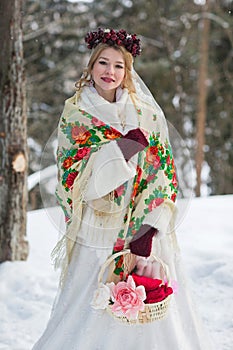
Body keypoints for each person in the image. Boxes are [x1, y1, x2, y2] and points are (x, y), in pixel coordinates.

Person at [33, 28, 213, 350]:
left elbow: (163, 171)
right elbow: (72, 181)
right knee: (90, 301)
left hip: (143, 224)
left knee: (152, 309)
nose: (110, 72)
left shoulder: (146, 112)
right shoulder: (76, 116)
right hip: (99, 227)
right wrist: (122, 151)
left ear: (128, 72)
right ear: (90, 65)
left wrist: (150, 228)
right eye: (103, 62)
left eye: (119, 66)